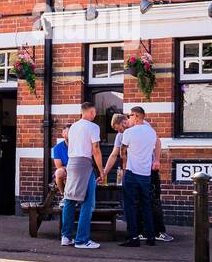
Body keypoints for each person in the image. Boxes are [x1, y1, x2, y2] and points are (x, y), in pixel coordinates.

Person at [103, 106, 168, 246]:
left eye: (130, 115)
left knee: (130, 206)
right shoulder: (151, 131)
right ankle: (151, 237)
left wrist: (156, 160)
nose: (118, 132)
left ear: (135, 117)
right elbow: (155, 142)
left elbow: (120, 153)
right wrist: (105, 172)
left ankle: (133, 237)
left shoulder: (129, 133)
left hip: (132, 173)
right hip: (146, 173)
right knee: (146, 204)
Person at [61, 102, 104, 250]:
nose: (95, 115)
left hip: (71, 164)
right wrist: (102, 170)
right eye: (95, 112)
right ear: (90, 112)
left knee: (70, 200)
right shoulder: (93, 127)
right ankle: (82, 240)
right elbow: (96, 149)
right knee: (88, 202)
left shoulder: (73, 127)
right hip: (84, 164)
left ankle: (66, 237)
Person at [51, 125, 70, 193]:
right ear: (63, 134)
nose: (68, 134)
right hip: (65, 170)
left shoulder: (78, 146)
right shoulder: (57, 148)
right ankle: (64, 195)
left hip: (77, 170)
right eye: (67, 132)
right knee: (59, 172)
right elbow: (59, 166)